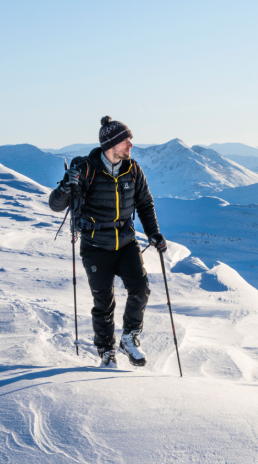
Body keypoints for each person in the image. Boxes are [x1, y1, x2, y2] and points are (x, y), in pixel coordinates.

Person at [48, 116, 167, 368]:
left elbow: (145, 204)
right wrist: (66, 187)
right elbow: (55, 205)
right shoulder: (84, 170)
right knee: (103, 302)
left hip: (125, 242)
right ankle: (106, 352)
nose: (130, 145)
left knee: (140, 289)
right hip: (95, 246)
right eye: (126, 141)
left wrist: (154, 234)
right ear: (111, 145)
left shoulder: (132, 170)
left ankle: (129, 337)